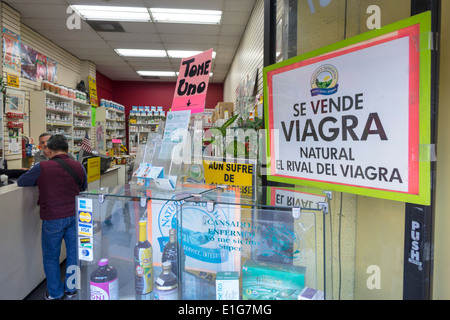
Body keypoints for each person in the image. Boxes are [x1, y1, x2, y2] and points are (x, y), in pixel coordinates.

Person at [18, 134, 87, 300]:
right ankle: (71, 290)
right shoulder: (78, 166)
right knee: (73, 254)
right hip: (75, 216)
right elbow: (83, 186)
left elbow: (22, 181)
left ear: (49, 149)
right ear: (68, 149)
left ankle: (55, 293)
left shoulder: (42, 167)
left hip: (53, 218)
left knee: (51, 257)